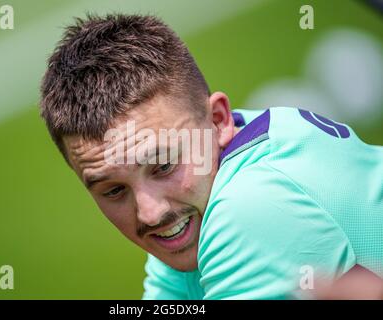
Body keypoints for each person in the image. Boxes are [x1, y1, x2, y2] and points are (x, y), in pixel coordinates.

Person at [39, 14, 383, 299]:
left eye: (163, 165)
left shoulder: (247, 209)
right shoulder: (208, 176)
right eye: (114, 191)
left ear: (218, 119)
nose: (149, 212)